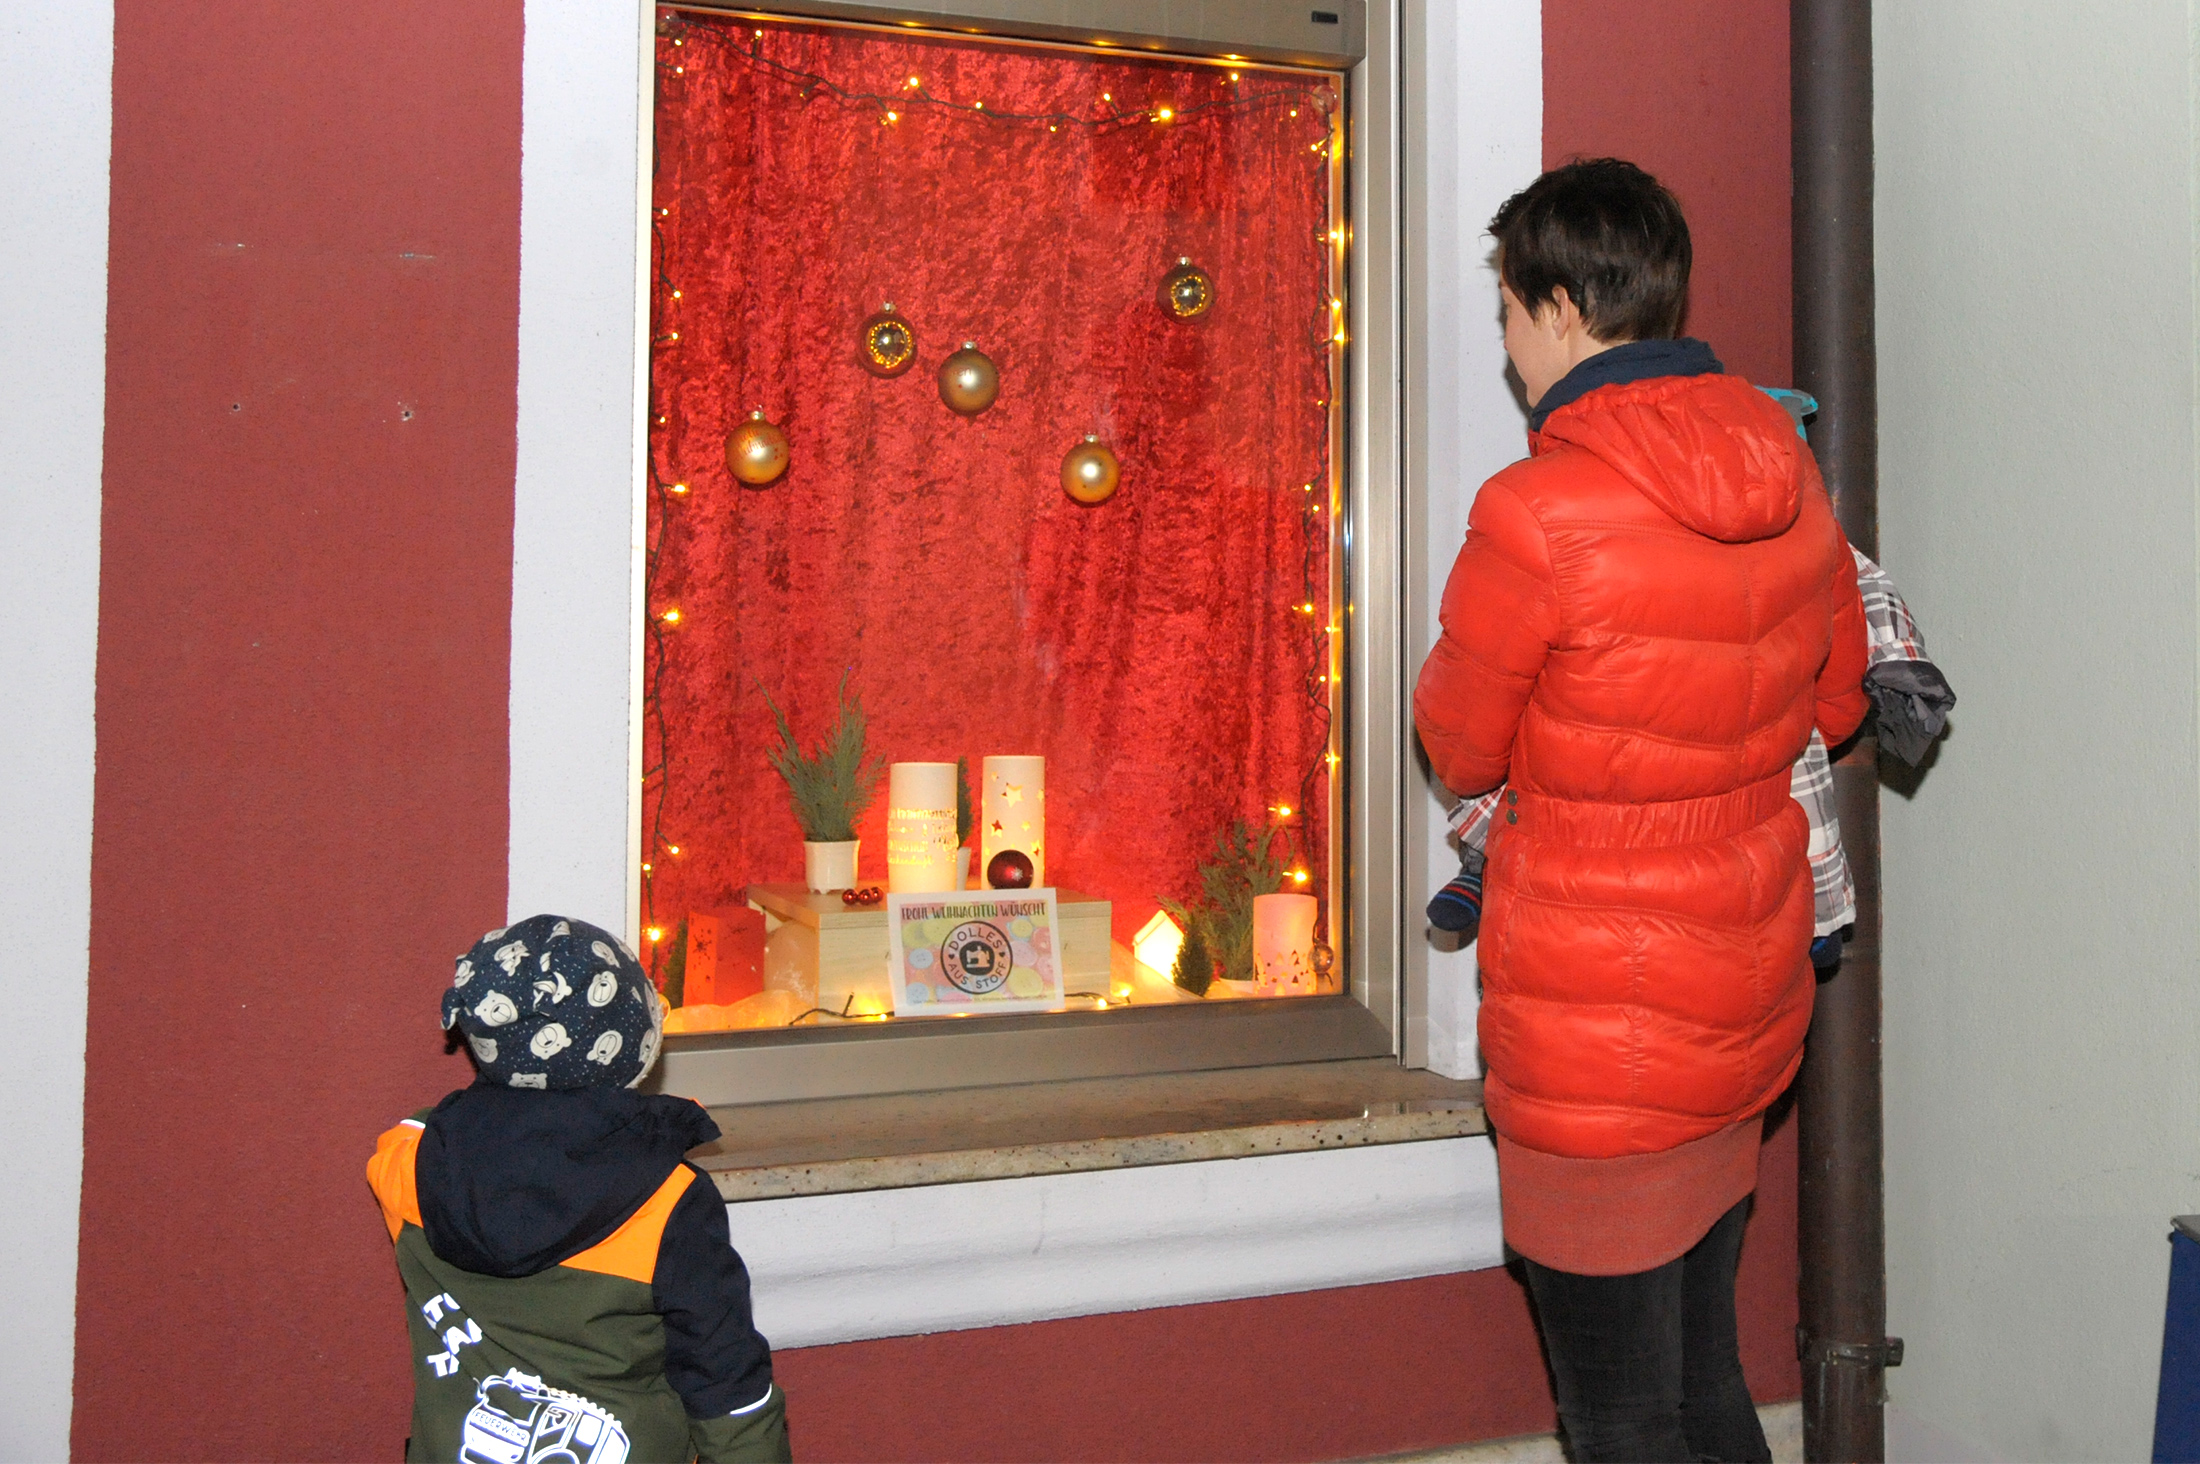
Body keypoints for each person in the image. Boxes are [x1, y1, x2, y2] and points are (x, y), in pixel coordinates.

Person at [1412, 159, 1871, 1463]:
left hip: (1594, 1044)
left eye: (1507, 313)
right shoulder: (1786, 466)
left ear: (1559, 308)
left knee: (1620, 1421)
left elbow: (1457, 742)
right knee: (1700, 1386)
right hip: (1736, 1011)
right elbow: (1834, 704)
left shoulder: (1538, 512)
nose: (1506, 351)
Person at [366, 914, 790, 1463]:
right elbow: (727, 1385)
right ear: (633, 1046)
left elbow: (422, 1127)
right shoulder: (668, 1201)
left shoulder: (410, 1167)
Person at [1430, 542, 1956, 968]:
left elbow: (1465, 721)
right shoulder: (1793, 515)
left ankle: (1487, 857)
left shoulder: (1551, 519)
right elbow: (1854, 600)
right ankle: (1808, 912)